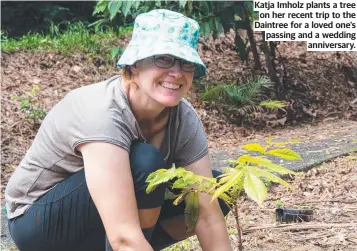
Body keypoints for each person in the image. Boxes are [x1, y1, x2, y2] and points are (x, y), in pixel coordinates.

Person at [5, 9, 232, 251]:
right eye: (163, 58)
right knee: (145, 162)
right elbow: (124, 237)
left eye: (185, 62)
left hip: (108, 217)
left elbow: (207, 216)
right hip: (38, 221)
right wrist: (126, 243)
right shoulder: (102, 111)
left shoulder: (184, 118)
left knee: (214, 191)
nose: (176, 72)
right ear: (134, 65)